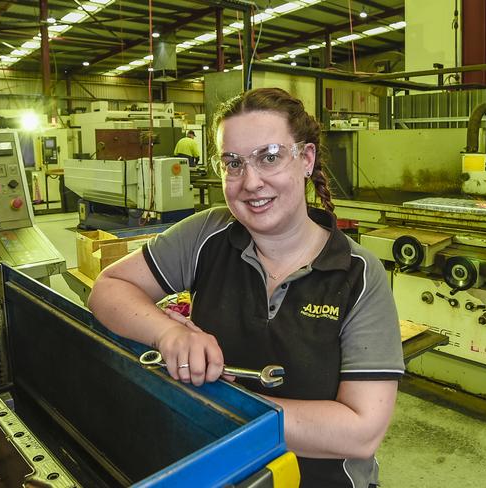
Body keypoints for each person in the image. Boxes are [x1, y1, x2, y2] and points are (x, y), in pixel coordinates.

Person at [88, 87, 404, 488]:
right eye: (233, 163)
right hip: (216, 473)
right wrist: (166, 333)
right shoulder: (207, 234)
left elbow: (361, 431)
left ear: (305, 160)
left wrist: (227, 409)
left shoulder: (359, 275)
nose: (250, 181)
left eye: (269, 157)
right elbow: (109, 286)